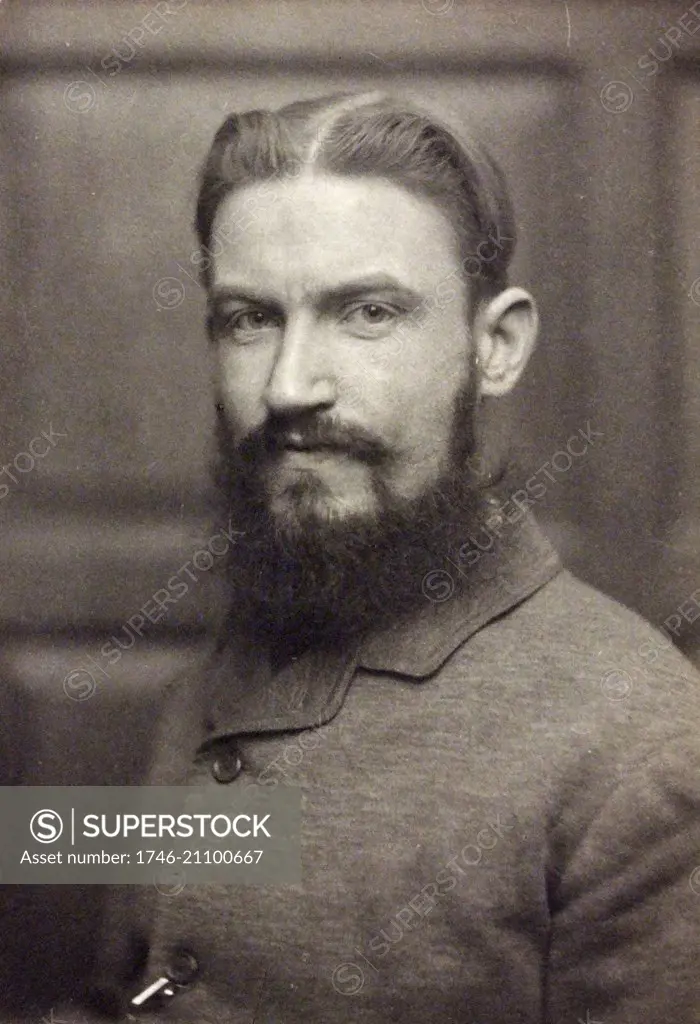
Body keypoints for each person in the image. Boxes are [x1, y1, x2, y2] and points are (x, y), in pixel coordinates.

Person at [51, 91, 700, 1021]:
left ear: (495, 347)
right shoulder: (213, 675)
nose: (288, 387)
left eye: (366, 313)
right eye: (249, 320)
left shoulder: (647, 751)